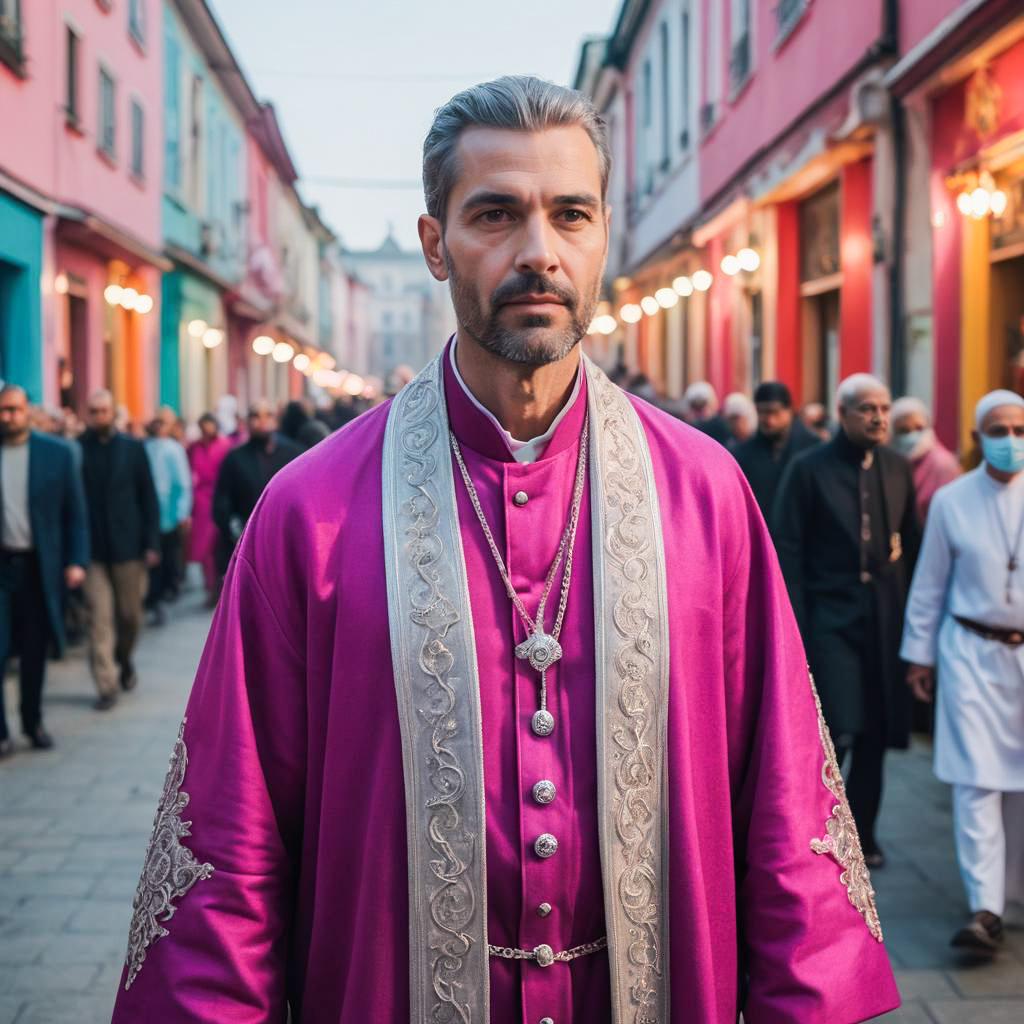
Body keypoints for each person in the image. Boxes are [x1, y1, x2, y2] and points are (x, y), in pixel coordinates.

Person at [111, 76, 898, 1023]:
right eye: (495, 215)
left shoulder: (708, 494)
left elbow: (784, 808)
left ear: (604, 232)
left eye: (570, 215)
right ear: (436, 244)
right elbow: (229, 844)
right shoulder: (308, 512)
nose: (539, 252)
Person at [774, 373, 920, 869]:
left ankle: (864, 832)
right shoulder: (808, 469)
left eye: (884, 408)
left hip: (883, 619)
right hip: (827, 618)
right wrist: (794, 624)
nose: (879, 417)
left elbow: (912, 547)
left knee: (876, 729)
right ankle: (819, 825)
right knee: (836, 727)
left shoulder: (899, 468)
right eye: (867, 409)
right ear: (843, 414)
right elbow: (787, 551)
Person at [901, 389, 1024, 953]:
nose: (1011, 441)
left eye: (1020, 430)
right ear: (978, 438)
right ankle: (985, 908)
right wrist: (919, 656)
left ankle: (1010, 891)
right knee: (977, 782)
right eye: (999, 430)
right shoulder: (952, 501)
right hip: (970, 653)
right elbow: (927, 587)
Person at [0, 386, 88, 756]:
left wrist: (76, 561)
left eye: (15, 410)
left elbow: (75, 514)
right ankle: (2, 732)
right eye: (3, 411)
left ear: (28, 411)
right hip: (3, 567)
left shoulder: (57, 454)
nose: (9, 417)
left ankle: (32, 720)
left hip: (40, 567)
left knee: (35, 650)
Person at [79, 389, 160, 710]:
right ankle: (106, 685)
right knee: (99, 619)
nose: (98, 416)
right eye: (93, 410)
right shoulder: (77, 450)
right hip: (92, 551)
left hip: (129, 547)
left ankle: (123, 660)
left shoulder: (133, 450)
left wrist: (152, 543)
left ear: (114, 413)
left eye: (103, 410)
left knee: (130, 616)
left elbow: (148, 498)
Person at [211, 399, 301, 561]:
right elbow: (222, 500)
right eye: (256, 416)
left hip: (284, 541)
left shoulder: (293, 454)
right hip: (246, 542)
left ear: (275, 420)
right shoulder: (235, 458)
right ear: (248, 421)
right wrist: (233, 529)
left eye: (268, 415)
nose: (262, 421)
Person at [732, 380, 820, 530]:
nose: (768, 419)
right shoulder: (742, 453)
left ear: (789, 410)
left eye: (774, 412)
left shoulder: (813, 448)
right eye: (762, 412)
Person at [143, 412, 193, 624]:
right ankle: (153, 598)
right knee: (152, 558)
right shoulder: (144, 447)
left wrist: (182, 511)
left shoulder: (174, 449)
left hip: (168, 514)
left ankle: (163, 593)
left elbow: (183, 482)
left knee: (167, 557)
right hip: (149, 514)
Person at [890, 396, 961, 523]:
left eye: (919, 428)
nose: (912, 436)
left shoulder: (944, 466)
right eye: (904, 430)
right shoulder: (888, 465)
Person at [187, 413, 232, 605]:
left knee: (218, 545)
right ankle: (210, 587)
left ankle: (222, 587)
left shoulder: (225, 446)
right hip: (201, 502)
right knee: (204, 549)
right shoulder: (194, 448)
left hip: (220, 497)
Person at [682, 380, 732, 445]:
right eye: (696, 407)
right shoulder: (721, 425)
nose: (700, 412)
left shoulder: (720, 427)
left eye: (702, 406)